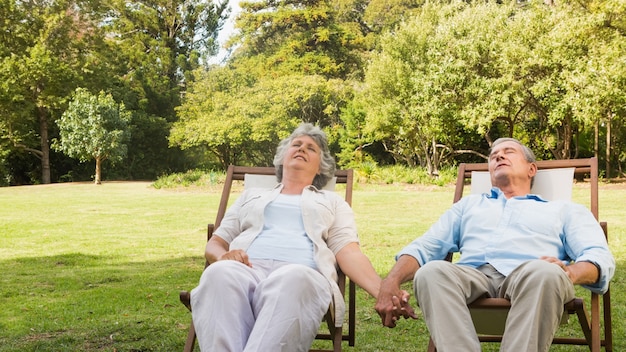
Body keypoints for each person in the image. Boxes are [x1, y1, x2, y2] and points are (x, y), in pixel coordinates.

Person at [375, 137, 615, 352]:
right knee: (431, 272)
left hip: (532, 276)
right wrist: (391, 281)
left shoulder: (563, 210)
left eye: (508, 151)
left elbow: (598, 256)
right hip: (473, 276)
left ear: (532, 169)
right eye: (493, 156)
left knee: (545, 272)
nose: (498, 156)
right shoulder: (468, 206)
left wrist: (570, 272)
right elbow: (426, 246)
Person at [190, 123, 388, 351]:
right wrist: (224, 256)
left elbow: (349, 252)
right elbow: (216, 243)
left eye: (311, 148)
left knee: (294, 277)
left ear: (321, 167)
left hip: (302, 272)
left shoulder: (332, 202)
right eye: (296, 144)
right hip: (247, 270)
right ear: (283, 157)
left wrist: (382, 293)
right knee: (218, 273)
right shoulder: (250, 196)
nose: (302, 148)